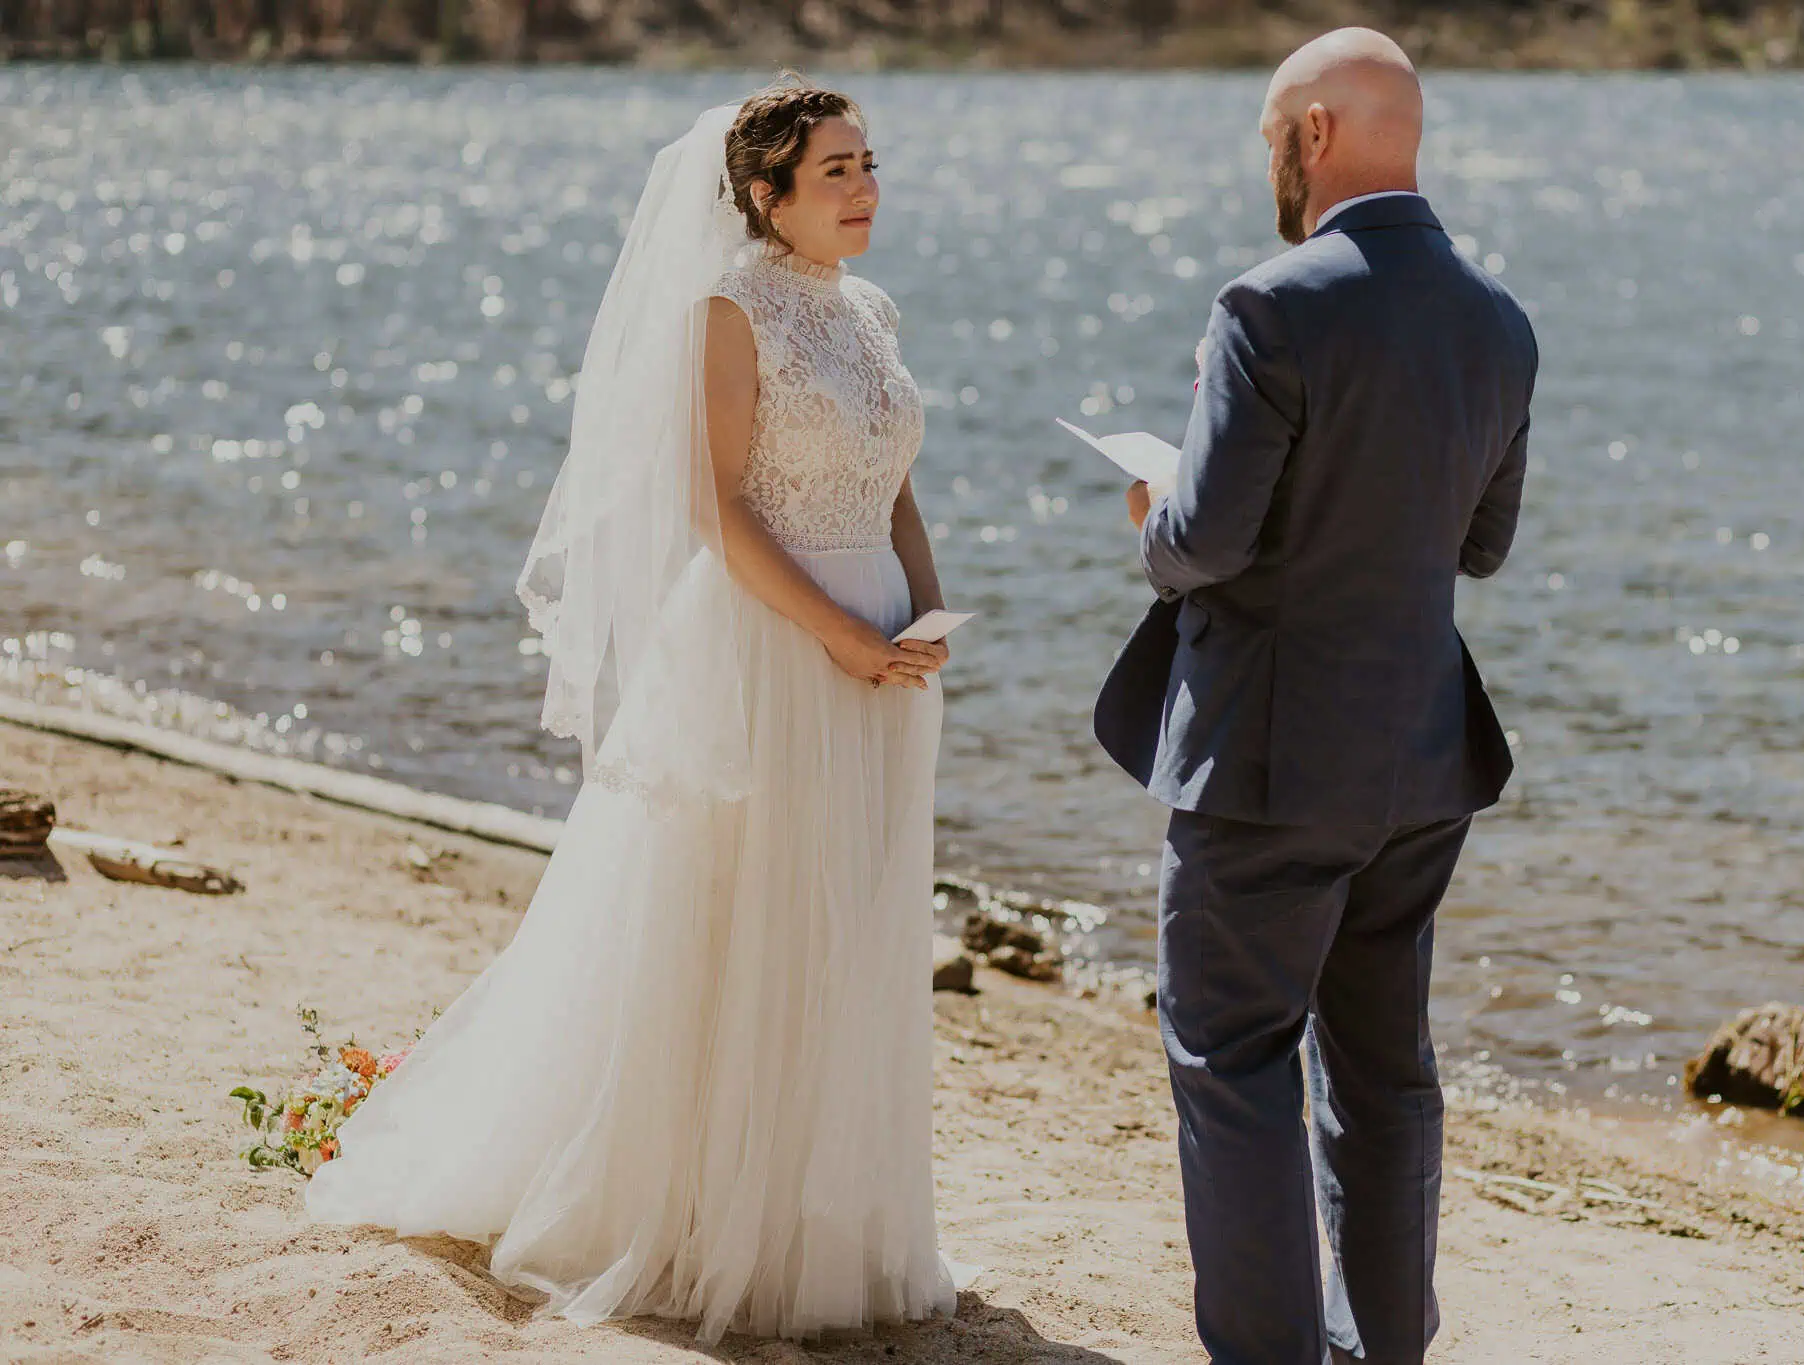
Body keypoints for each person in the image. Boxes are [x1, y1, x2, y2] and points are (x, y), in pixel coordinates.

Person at [305, 80, 959, 1344]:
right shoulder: (727, 311)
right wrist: (838, 641)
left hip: (884, 660)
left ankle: (830, 1222)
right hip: (772, 655)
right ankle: (718, 1224)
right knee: (747, 928)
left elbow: (896, 490)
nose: (865, 187)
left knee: (850, 933)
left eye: (868, 163)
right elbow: (716, 510)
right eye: (835, 171)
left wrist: (922, 620)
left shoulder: (870, 313)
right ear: (765, 197)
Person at [1092, 28, 1538, 1365]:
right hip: (1420, 758)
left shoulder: (1267, 304)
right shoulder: (1498, 320)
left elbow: (1204, 543)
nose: (1271, 160)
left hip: (1267, 763)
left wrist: (1150, 503)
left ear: (1317, 134)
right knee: (1385, 1073)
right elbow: (1482, 546)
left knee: (1230, 1063)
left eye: (1273, 134)